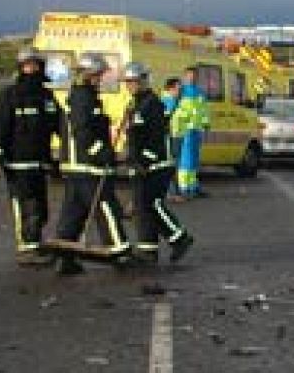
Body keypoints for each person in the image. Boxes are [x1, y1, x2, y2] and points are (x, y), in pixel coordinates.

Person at [52, 54, 128, 275]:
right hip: (86, 166)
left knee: (74, 212)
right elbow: (82, 132)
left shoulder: (83, 96)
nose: (100, 79)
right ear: (88, 74)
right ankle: (120, 251)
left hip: (77, 166)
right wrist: (102, 153)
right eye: (98, 75)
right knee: (105, 206)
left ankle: (65, 257)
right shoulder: (82, 98)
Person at [0, 48, 62, 265]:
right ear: (21, 68)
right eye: (27, 65)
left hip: (40, 163)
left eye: (35, 65)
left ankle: (35, 243)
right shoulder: (10, 95)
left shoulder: (46, 97)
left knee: (40, 209)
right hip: (17, 163)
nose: (32, 69)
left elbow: (60, 125)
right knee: (25, 206)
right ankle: (27, 249)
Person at [121, 63, 193, 263]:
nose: (130, 86)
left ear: (144, 81)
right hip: (143, 165)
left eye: (134, 82)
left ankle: (180, 238)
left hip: (157, 165)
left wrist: (144, 161)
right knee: (143, 208)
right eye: (128, 82)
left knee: (152, 205)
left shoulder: (152, 104)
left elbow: (155, 139)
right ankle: (148, 249)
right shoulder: (136, 104)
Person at [170, 66, 210, 197]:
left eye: (194, 76)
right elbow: (172, 108)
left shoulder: (200, 92)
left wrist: (206, 124)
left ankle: (192, 187)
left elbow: (204, 110)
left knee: (194, 160)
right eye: (189, 75)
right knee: (185, 160)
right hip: (184, 130)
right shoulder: (180, 91)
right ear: (184, 77)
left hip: (196, 130)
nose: (192, 78)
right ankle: (183, 188)